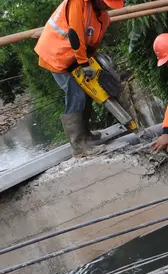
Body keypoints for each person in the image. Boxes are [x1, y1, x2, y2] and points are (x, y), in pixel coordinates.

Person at [34, 0, 125, 157]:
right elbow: (74, 34)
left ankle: (86, 136)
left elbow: (93, 41)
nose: (106, 7)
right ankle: (79, 146)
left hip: (74, 57)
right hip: (56, 55)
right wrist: (84, 64)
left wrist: (91, 62)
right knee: (77, 94)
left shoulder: (102, 16)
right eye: (105, 3)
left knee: (88, 91)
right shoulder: (78, 3)